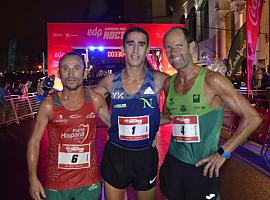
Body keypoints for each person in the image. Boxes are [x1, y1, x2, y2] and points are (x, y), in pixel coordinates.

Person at [159, 27, 262, 200]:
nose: (173, 52)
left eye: (178, 45)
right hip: (173, 162)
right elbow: (168, 117)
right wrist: (141, 121)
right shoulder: (169, 84)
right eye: (168, 47)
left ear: (191, 47)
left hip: (202, 166)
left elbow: (253, 118)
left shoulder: (212, 80)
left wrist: (224, 152)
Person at [94, 27, 168, 200]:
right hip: (116, 155)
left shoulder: (160, 79)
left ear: (148, 49)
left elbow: (181, 95)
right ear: (123, 49)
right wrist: (110, 121)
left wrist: (155, 122)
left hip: (145, 156)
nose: (135, 50)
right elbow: (89, 100)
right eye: (131, 44)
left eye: (141, 44)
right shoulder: (110, 81)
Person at [27, 52, 111, 200]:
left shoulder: (95, 100)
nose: (71, 73)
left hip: (88, 182)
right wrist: (32, 178)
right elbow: (34, 142)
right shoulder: (49, 104)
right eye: (65, 69)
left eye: (76, 68)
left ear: (84, 73)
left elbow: (116, 126)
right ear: (59, 74)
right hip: (56, 183)